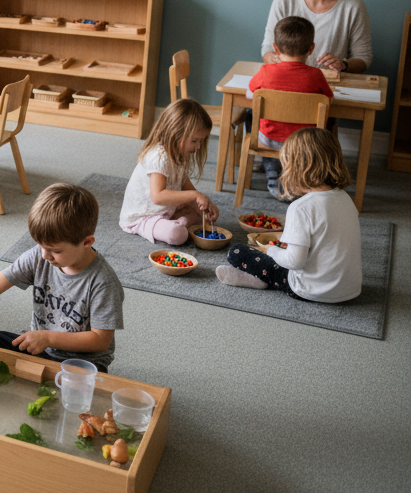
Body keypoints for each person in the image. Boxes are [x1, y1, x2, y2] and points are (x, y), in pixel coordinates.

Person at [0, 183, 123, 372]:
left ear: (86, 242)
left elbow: (100, 340)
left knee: (77, 391)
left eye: (55, 250)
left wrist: (48, 338)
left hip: (81, 363)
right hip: (38, 347)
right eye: (40, 246)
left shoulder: (103, 283)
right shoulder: (40, 257)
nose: (44, 256)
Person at [217, 128, 361, 302]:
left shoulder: (301, 208)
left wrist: (269, 250)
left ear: (296, 169)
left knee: (237, 251)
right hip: (350, 290)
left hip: (310, 290)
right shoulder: (346, 198)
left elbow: (294, 262)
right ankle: (261, 278)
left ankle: (259, 279)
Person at [247, 16, 333, 198]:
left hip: (270, 140)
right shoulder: (316, 75)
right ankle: (298, 177)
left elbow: (251, 94)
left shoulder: (265, 71)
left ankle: (272, 173)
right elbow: (328, 102)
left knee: (252, 114)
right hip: (304, 143)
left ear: (275, 48)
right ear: (311, 49)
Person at [119, 98, 218, 245]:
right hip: (144, 217)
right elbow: (158, 197)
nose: (198, 147)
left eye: (201, 141)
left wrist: (203, 202)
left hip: (166, 210)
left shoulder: (180, 152)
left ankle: (180, 221)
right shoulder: (160, 157)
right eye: (194, 141)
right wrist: (195, 195)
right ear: (176, 134)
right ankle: (179, 224)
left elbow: (183, 182)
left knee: (204, 215)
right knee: (176, 235)